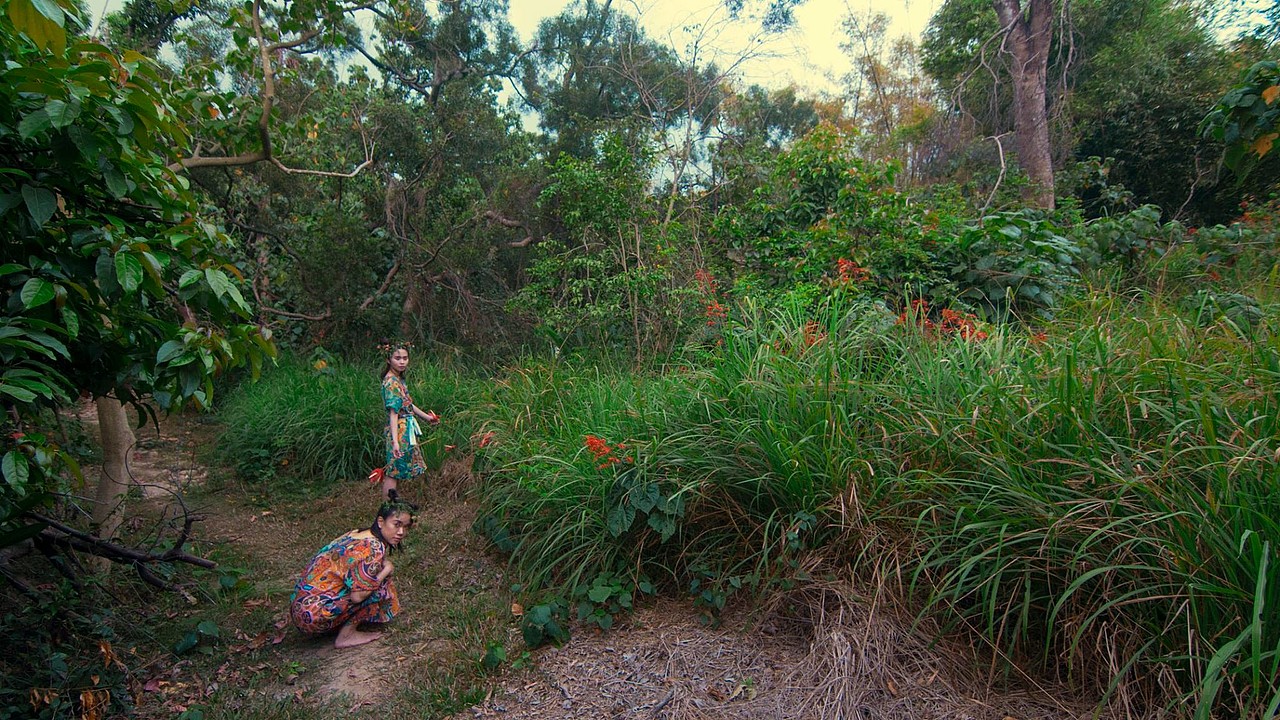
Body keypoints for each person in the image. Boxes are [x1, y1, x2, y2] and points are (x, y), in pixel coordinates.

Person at [289, 492, 417, 648]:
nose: (401, 532)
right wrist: (387, 570)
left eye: (406, 526)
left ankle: (335, 625)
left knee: (373, 576)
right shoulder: (373, 547)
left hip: (301, 608)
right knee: (380, 583)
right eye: (396, 524)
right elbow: (358, 597)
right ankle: (346, 635)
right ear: (381, 522)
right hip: (313, 617)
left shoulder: (358, 533)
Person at [378, 343, 440, 499]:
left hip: (405, 427)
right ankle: (387, 509)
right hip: (398, 429)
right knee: (394, 471)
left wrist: (427, 417)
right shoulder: (391, 381)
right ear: (389, 359)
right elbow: (394, 412)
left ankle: (394, 507)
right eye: (397, 358)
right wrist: (395, 442)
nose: (402, 362)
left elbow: (407, 403)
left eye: (405, 358)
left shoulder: (398, 379)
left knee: (398, 470)